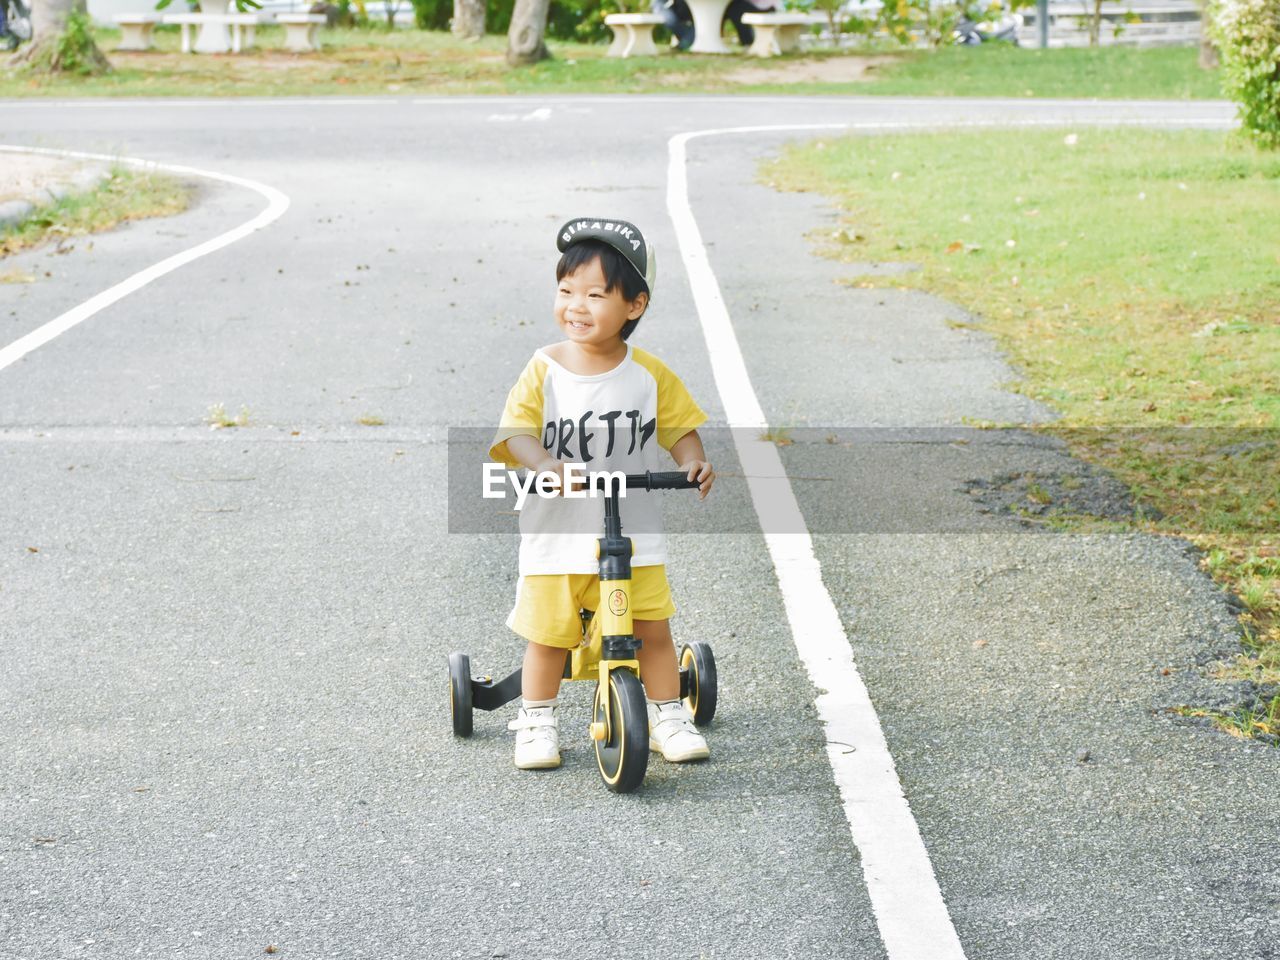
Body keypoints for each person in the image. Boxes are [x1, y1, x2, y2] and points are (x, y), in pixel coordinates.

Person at [487, 217, 716, 771]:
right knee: (548, 638)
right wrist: (545, 464)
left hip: (632, 532)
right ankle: (537, 721)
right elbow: (515, 431)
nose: (576, 306)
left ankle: (667, 716)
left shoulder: (648, 374)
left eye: (595, 294)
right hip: (558, 534)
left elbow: (679, 426)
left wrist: (692, 462)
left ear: (633, 306)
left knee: (652, 631)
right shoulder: (544, 369)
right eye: (566, 292)